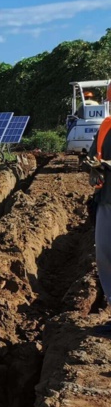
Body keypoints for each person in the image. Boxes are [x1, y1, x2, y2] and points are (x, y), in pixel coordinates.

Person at [88, 117, 111, 332]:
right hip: (106, 201)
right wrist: (95, 170)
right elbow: (94, 155)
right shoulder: (106, 126)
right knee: (105, 257)